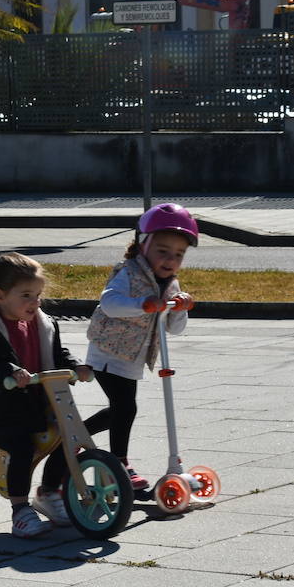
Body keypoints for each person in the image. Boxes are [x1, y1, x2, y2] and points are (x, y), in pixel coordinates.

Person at [0, 253, 93, 538]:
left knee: (69, 437)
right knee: (21, 448)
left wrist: (75, 365)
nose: (35, 302)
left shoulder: (43, 324)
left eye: (38, 295)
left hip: (38, 404)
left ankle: (49, 493)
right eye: (27, 295)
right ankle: (20, 510)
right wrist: (8, 372)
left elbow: (57, 354)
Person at [83, 202, 197, 494]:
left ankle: (76, 435)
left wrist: (179, 309)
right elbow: (109, 303)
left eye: (179, 254)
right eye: (163, 251)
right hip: (107, 352)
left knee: (122, 408)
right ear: (143, 245)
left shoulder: (170, 284)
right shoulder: (128, 272)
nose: (170, 260)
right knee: (125, 406)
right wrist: (141, 305)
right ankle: (120, 463)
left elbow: (174, 328)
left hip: (132, 357)